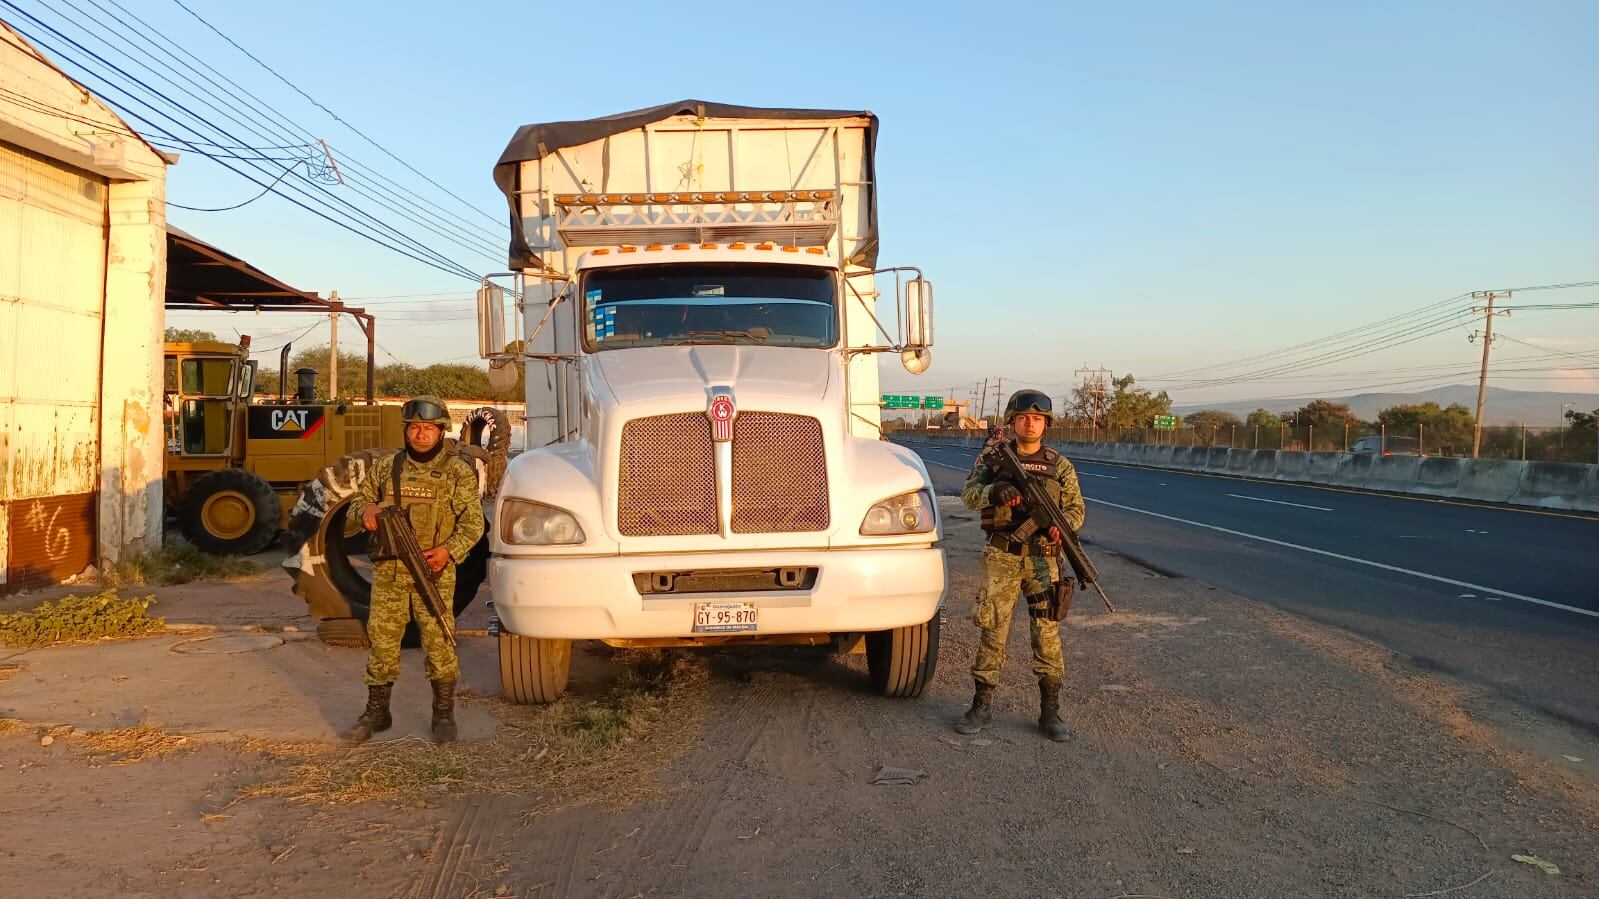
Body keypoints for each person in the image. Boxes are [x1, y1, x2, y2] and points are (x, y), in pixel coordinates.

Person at [343, 396, 485, 744]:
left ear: (441, 431)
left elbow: (473, 523)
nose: (420, 434)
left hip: (433, 571)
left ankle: (443, 713)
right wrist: (366, 511)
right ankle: (377, 712)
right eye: (414, 427)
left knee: (439, 643)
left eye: (428, 428)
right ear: (406, 430)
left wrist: (449, 551)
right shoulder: (386, 467)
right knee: (382, 642)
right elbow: (357, 504)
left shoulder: (456, 472)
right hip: (389, 572)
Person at [955, 389, 1085, 742]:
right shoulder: (993, 459)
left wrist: (1063, 525)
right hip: (1002, 556)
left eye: (1037, 419)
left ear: (1046, 423)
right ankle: (981, 707)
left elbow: (1076, 509)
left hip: (1044, 559)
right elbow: (968, 495)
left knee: (1047, 635)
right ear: (1013, 421)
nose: (1030, 424)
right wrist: (994, 491)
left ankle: (1050, 711)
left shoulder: (1059, 465)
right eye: (1024, 418)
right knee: (993, 631)